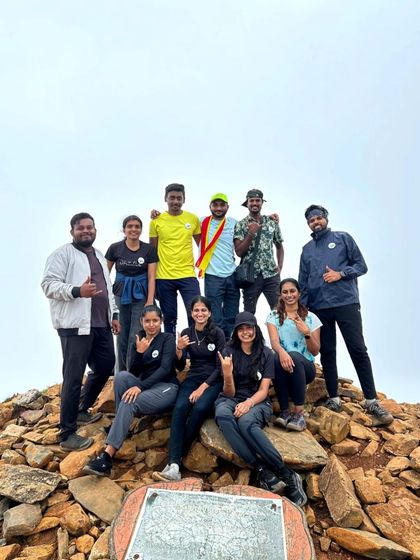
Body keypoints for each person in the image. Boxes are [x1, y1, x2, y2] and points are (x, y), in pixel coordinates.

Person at [298, 205, 393, 424]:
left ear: (326, 219)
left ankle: (371, 401)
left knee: (358, 349)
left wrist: (341, 274)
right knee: (328, 352)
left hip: (345, 303)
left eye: (319, 218)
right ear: (308, 224)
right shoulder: (307, 249)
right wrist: (303, 310)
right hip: (319, 308)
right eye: (311, 220)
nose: (316, 222)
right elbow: (302, 281)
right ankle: (333, 399)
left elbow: (361, 266)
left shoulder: (343, 238)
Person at [41, 212, 120, 451]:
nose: (86, 231)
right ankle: (67, 433)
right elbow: (48, 285)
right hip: (74, 325)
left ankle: (81, 407)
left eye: (90, 227)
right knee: (73, 376)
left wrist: (114, 315)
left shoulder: (97, 254)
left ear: (95, 230)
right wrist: (77, 291)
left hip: (101, 323)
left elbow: (107, 289)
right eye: (81, 228)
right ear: (72, 231)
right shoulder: (62, 254)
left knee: (107, 365)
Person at [215, 311, 307, 506]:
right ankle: (261, 469)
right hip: (231, 398)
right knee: (223, 415)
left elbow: (264, 390)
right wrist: (227, 374)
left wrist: (248, 403)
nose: (246, 332)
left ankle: (286, 473)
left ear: (255, 329)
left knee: (246, 422)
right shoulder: (228, 350)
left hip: (256, 400)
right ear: (236, 331)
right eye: (241, 328)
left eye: (249, 327)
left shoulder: (266, 353)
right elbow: (229, 393)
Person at [84, 305, 179, 476]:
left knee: (130, 400)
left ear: (161, 321)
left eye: (155, 321)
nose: (151, 325)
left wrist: (140, 386)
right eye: (147, 321)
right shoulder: (140, 340)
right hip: (145, 388)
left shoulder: (168, 338)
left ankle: (106, 457)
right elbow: (134, 371)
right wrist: (140, 352)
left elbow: (165, 369)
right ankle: (122, 425)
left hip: (166, 388)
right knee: (121, 376)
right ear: (141, 322)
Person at [153, 296, 225, 482]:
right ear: (191, 313)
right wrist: (179, 348)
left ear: (209, 313)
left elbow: (220, 368)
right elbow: (179, 366)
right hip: (193, 377)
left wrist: (202, 388)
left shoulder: (218, 333)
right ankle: (175, 467)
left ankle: (174, 460)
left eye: (203, 310)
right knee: (180, 408)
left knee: (200, 408)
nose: (200, 314)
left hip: (213, 380)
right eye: (196, 310)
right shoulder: (187, 332)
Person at [266, 278, 321, 431]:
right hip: (282, 365)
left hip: (305, 368)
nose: (289, 295)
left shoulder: (311, 318)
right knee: (275, 356)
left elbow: (315, 350)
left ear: (298, 293)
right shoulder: (273, 316)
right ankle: (284, 412)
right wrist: (283, 353)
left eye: (292, 291)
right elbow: (274, 342)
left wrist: (306, 333)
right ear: (280, 295)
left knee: (295, 356)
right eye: (285, 292)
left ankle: (298, 414)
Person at [105, 215, 158, 371]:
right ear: (124, 229)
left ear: (141, 230)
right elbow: (105, 274)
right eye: (130, 226)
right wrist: (106, 299)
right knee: (121, 334)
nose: (133, 229)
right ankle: (120, 373)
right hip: (120, 295)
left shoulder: (149, 249)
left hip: (141, 296)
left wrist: (150, 301)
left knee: (136, 334)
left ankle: (132, 371)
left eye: (137, 226)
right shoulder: (115, 248)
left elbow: (151, 277)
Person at [149, 183, 201, 334]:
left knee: (195, 314)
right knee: (169, 317)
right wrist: (152, 279)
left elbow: (202, 246)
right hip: (164, 276)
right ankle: (170, 351)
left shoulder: (192, 219)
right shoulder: (156, 220)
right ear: (166, 199)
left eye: (179, 198)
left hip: (188, 275)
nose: (175, 201)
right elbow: (152, 251)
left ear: (184, 200)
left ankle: (194, 350)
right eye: (172, 198)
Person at [195, 193, 240, 339]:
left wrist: (271, 218)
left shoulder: (234, 223)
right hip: (212, 275)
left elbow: (253, 223)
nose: (219, 208)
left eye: (222, 205)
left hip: (232, 274)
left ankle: (232, 349)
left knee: (232, 315)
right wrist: (157, 215)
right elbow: (179, 220)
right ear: (210, 206)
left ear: (228, 207)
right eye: (215, 205)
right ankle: (218, 348)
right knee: (215, 317)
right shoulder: (201, 222)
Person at [234, 189, 284, 314]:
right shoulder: (241, 224)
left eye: (258, 200)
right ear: (247, 203)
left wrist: (280, 267)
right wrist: (250, 233)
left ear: (262, 203)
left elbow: (279, 246)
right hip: (250, 276)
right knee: (248, 313)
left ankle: (279, 334)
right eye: (252, 201)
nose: (255, 203)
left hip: (271, 274)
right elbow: (239, 252)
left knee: (280, 311)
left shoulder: (271, 222)